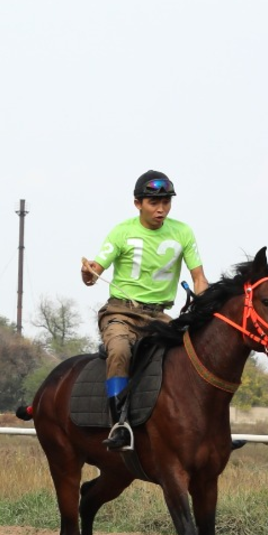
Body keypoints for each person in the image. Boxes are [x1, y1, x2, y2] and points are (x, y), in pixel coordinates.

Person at [81, 169, 208, 450]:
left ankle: (207, 428)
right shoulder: (122, 232)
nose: (161, 209)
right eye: (154, 202)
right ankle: (119, 424)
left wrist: (204, 304)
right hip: (121, 313)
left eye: (166, 202)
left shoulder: (183, 232)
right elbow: (93, 273)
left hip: (160, 317)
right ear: (137, 203)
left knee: (194, 355)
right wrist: (87, 272)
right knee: (119, 351)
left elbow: (199, 279)